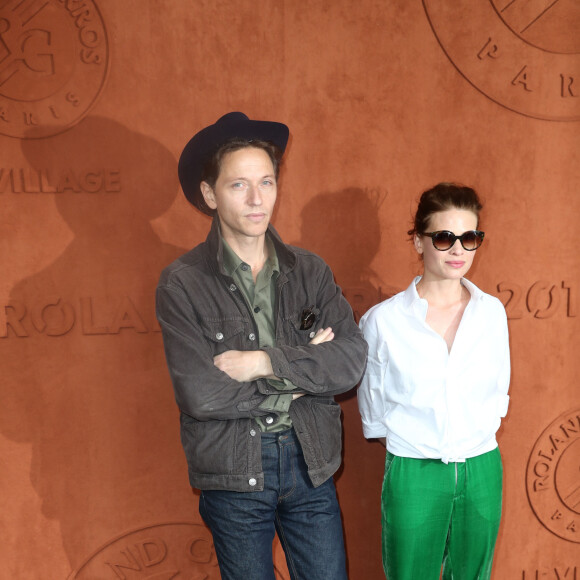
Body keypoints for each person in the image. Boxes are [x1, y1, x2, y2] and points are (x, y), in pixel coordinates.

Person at [156, 112, 368, 580]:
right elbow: (201, 393)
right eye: (239, 186)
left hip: (310, 460)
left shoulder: (310, 271)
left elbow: (350, 360)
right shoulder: (182, 284)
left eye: (267, 182)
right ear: (209, 194)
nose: (258, 200)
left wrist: (263, 362)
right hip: (233, 468)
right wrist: (300, 378)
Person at [357, 183, 510, 580]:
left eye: (469, 237)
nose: (458, 250)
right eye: (444, 237)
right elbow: (373, 412)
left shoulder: (491, 313)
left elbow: (498, 390)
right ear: (418, 242)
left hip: (482, 468)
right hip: (414, 470)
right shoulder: (382, 322)